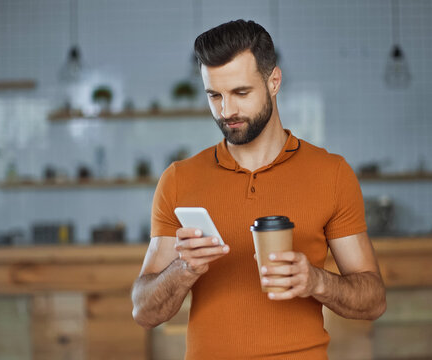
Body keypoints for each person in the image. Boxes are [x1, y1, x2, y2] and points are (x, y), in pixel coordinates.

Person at [131, 19, 386, 359]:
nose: (226, 111)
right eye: (214, 95)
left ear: (274, 81)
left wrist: (316, 281)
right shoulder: (179, 179)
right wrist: (184, 268)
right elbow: (144, 312)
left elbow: (374, 301)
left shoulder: (331, 173)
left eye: (241, 92)